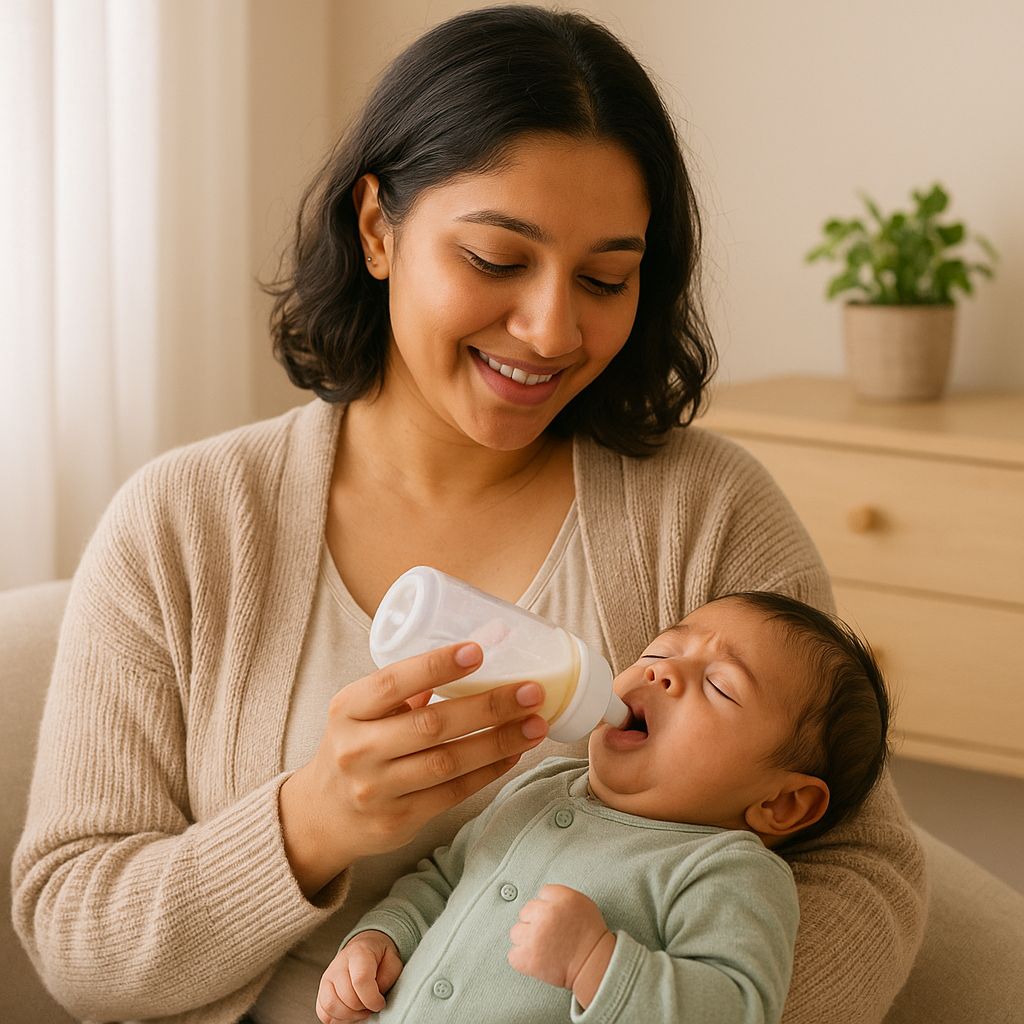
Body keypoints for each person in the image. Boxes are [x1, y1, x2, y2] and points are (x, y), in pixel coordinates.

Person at [12, 7, 925, 1024]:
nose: (551, 329)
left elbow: (862, 872)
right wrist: (309, 820)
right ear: (376, 228)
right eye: (497, 259)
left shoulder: (703, 514)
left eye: (604, 277)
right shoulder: (184, 526)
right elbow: (73, 932)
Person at [317, 591, 891, 1023]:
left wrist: (596, 961)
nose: (660, 671)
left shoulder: (727, 871)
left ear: (784, 803)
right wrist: (381, 939)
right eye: (661, 650)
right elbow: (443, 880)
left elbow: (734, 1006)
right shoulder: (542, 788)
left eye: (719, 686)